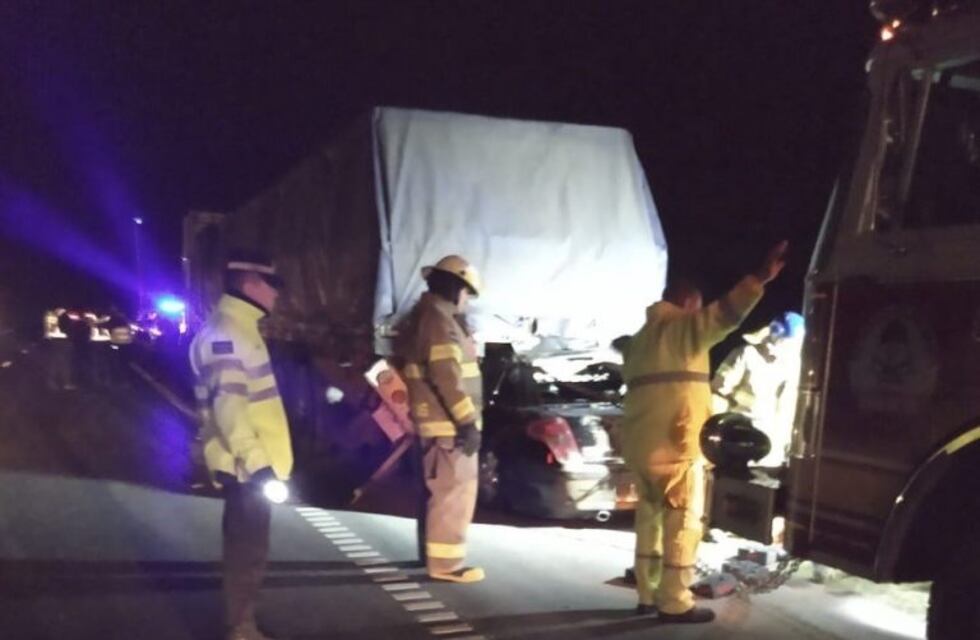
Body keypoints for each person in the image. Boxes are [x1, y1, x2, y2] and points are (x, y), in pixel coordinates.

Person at [621, 241, 788, 624]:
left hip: (641, 446)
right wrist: (760, 277)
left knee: (650, 522)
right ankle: (674, 602)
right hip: (675, 448)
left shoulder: (640, 340)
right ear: (689, 305)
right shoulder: (684, 330)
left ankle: (646, 594)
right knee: (682, 524)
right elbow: (727, 313)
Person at [188, 250, 292, 640]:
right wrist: (259, 464)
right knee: (246, 555)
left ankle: (244, 624)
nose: (278, 294)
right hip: (247, 469)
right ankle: (241, 629)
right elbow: (229, 408)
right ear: (250, 284)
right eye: (274, 284)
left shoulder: (237, 327)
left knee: (250, 552)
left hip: (249, 466)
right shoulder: (228, 335)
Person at [396, 254, 485, 584]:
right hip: (449, 425)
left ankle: (432, 557)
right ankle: (445, 566)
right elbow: (446, 375)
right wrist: (466, 422)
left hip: (439, 422)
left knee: (441, 493)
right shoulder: (439, 321)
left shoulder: (432, 316)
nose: (467, 302)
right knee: (452, 495)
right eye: (467, 294)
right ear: (457, 288)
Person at [711, 311, 805, 467]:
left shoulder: (796, 365)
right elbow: (718, 393)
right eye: (787, 341)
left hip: (775, 454)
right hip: (741, 444)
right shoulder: (745, 354)